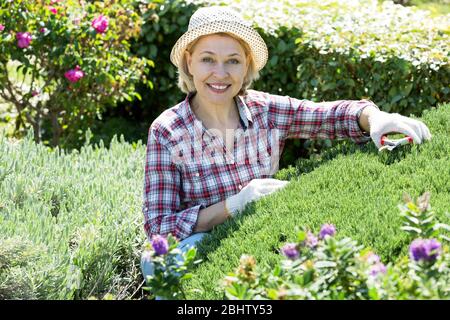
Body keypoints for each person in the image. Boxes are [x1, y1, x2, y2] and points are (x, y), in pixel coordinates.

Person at [140, 6, 431, 287]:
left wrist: (374, 118)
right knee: (156, 262)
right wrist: (234, 205)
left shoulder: (266, 111)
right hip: (204, 248)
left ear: (246, 66)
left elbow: (327, 116)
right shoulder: (167, 131)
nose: (220, 73)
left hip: (265, 237)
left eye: (233, 61)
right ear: (189, 62)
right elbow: (159, 229)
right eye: (207, 59)